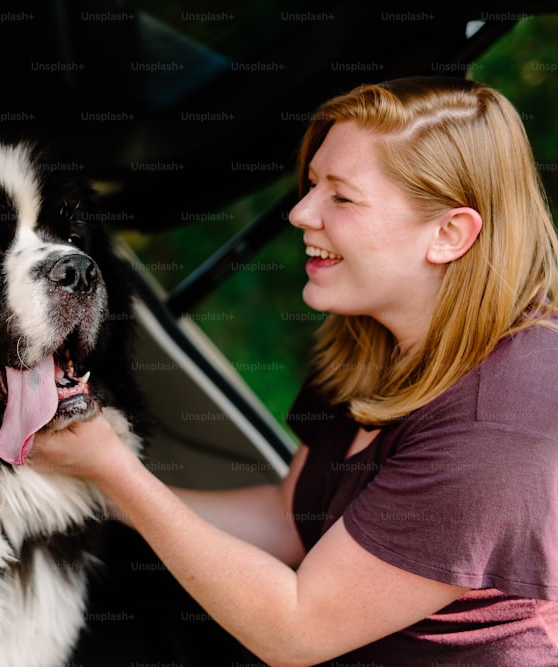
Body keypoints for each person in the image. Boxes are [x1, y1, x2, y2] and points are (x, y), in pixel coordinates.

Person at [28, 76, 558, 666]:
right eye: (310, 187)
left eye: (342, 197)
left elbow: (296, 629)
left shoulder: (506, 420)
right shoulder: (371, 340)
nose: (302, 213)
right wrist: (87, 486)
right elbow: (291, 521)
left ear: (448, 234)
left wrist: (113, 468)